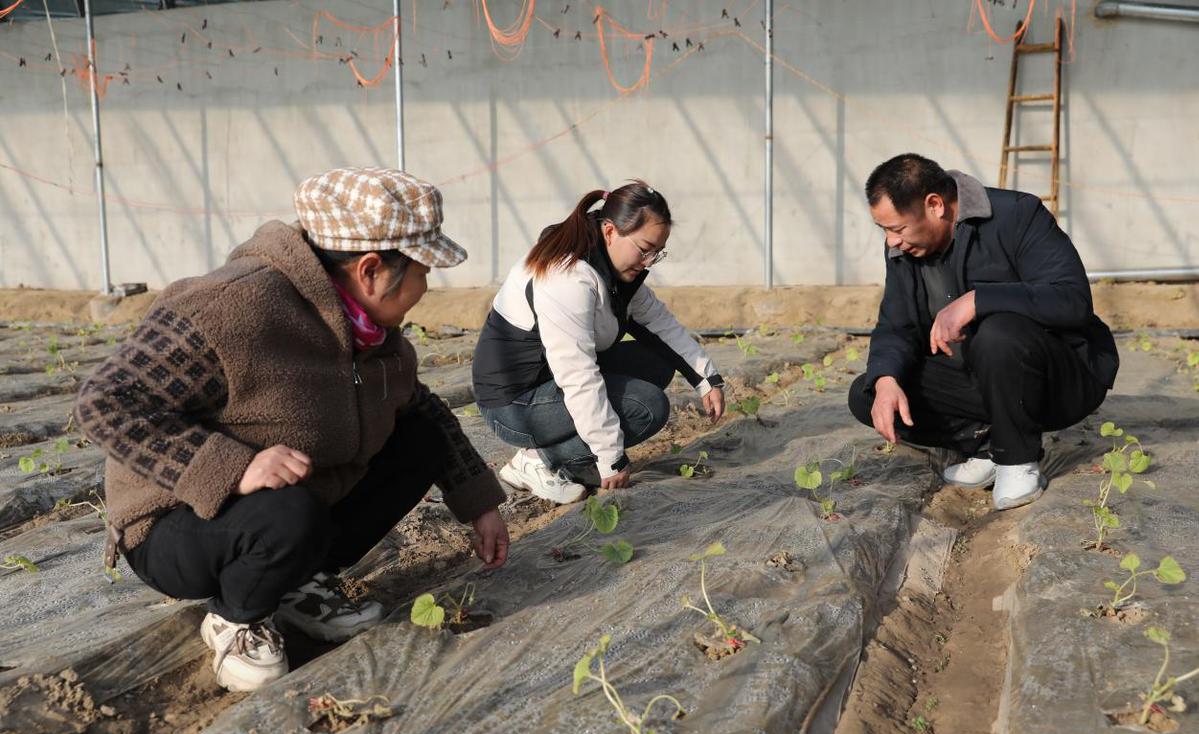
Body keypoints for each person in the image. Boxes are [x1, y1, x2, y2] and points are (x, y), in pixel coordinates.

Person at [74, 168, 510, 692]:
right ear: (371, 270)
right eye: (421, 271)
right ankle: (236, 616)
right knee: (289, 514)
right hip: (176, 526)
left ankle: (296, 580)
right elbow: (106, 403)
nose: (424, 287)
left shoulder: (374, 337)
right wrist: (235, 467)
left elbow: (424, 409)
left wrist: (480, 502)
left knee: (419, 439)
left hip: (292, 505)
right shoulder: (230, 308)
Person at [847, 153, 1118, 510]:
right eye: (884, 230)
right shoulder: (903, 251)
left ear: (934, 205)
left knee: (998, 332)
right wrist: (886, 380)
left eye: (897, 228)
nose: (891, 241)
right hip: (978, 379)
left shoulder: (1017, 215)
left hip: (1060, 379)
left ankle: (1018, 460)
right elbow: (897, 325)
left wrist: (977, 300)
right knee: (868, 393)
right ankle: (988, 447)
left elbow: (1071, 300)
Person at [471, 180, 725, 503]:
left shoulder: (611, 266)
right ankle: (538, 463)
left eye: (657, 253)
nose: (648, 262)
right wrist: (610, 457)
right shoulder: (568, 277)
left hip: (549, 382)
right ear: (610, 231)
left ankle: (553, 454)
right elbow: (577, 375)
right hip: (513, 403)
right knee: (647, 408)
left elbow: (658, 322)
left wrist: (707, 378)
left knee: (657, 362)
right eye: (644, 249)